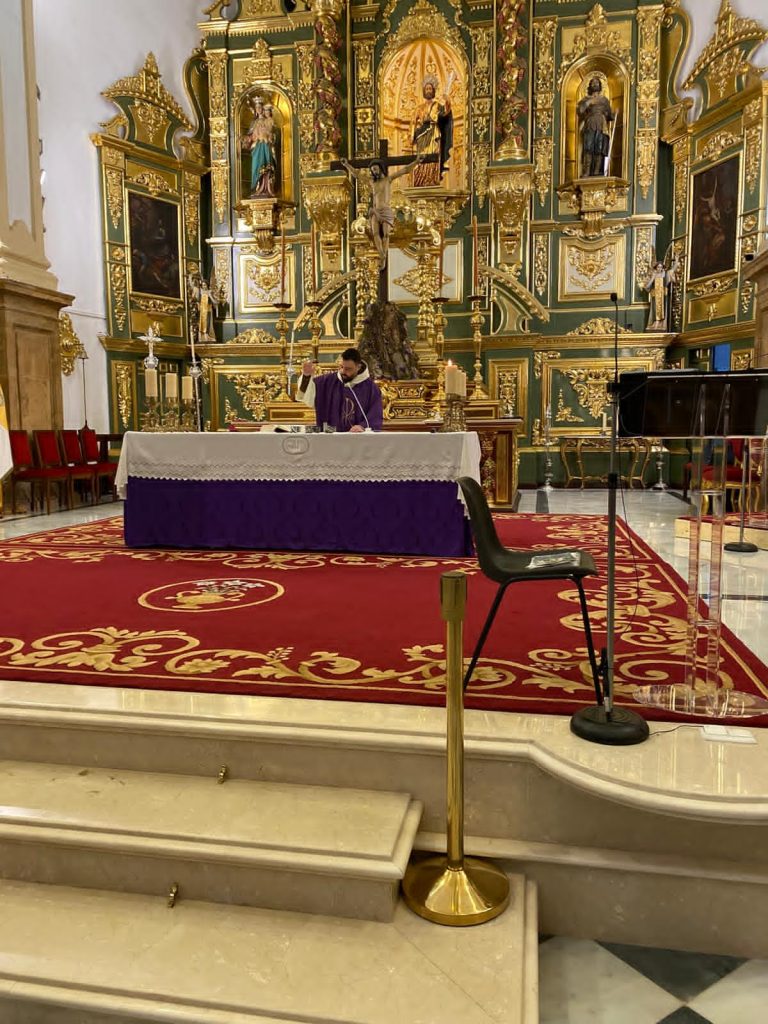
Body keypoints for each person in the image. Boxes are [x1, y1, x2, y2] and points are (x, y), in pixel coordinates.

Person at [340, 156, 422, 270]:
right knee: (375, 234)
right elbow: (357, 175)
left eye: (375, 169)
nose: (374, 171)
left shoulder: (388, 179)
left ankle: (384, 258)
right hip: (375, 211)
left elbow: (405, 170)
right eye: (372, 170)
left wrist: (416, 161)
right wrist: (346, 165)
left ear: (380, 168)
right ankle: (381, 255)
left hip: (386, 210)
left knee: (386, 234)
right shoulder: (372, 182)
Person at [298, 348, 383, 432]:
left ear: (358, 367)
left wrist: (362, 426)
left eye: (348, 369)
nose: (343, 371)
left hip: (358, 437)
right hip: (331, 438)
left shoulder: (371, 388)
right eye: (341, 367)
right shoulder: (328, 381)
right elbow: (307, 395)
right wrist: (306, 377)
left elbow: (375, 414)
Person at [412, 74, 454, 187]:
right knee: (422, 157)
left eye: (430, 88)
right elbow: (413, 122)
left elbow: (445, 113)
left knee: (434, 155)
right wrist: (412, 135)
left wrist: (447, 100)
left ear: (433, 91)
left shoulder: (437, 105)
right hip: (422, 135)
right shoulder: (419, 108)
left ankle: (432, 178)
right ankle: (421, 180)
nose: (428, 91)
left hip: (434, 133)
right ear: (424, 91)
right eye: (426, 89)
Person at [577, 77, 614, 177]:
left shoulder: (604, 100)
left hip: (601, 125)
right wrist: (589, 102)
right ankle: (587, 171)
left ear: (600, 86)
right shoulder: (586, 99)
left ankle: (597, 171)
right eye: (593, 83)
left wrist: (613, 114)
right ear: (590, 86)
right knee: (588, 147)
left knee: (599, 148)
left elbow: (610, 115)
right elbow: (580, 111)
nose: (595, 84)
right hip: (590, 124)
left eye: (597, 82)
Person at [241, 94, 277, 197]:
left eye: (260, 107)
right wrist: (246, 139)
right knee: (256, 166)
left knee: (267, 165)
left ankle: (267, 188)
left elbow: (273, 133)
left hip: (265, 146)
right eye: (257, 108)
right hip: (257, 147)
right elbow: (251, 136)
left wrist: (270, 137)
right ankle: (257, 188)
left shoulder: (268, 121)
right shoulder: (254, 122)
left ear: (263, 109)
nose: (258, 109)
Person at [643, 257, 678, 331]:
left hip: (663, 295)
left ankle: (661, 324)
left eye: (661, 267)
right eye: (658, 267)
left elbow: (673, 270)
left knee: (663, 310)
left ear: (662, 268)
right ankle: (655, 324)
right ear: (656, 268)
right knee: (654, 310)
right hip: (655, 296)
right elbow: (647, 286)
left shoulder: (665, 274)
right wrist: (652, 278)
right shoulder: (653, 275)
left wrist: (677, 260)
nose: (659, 268)